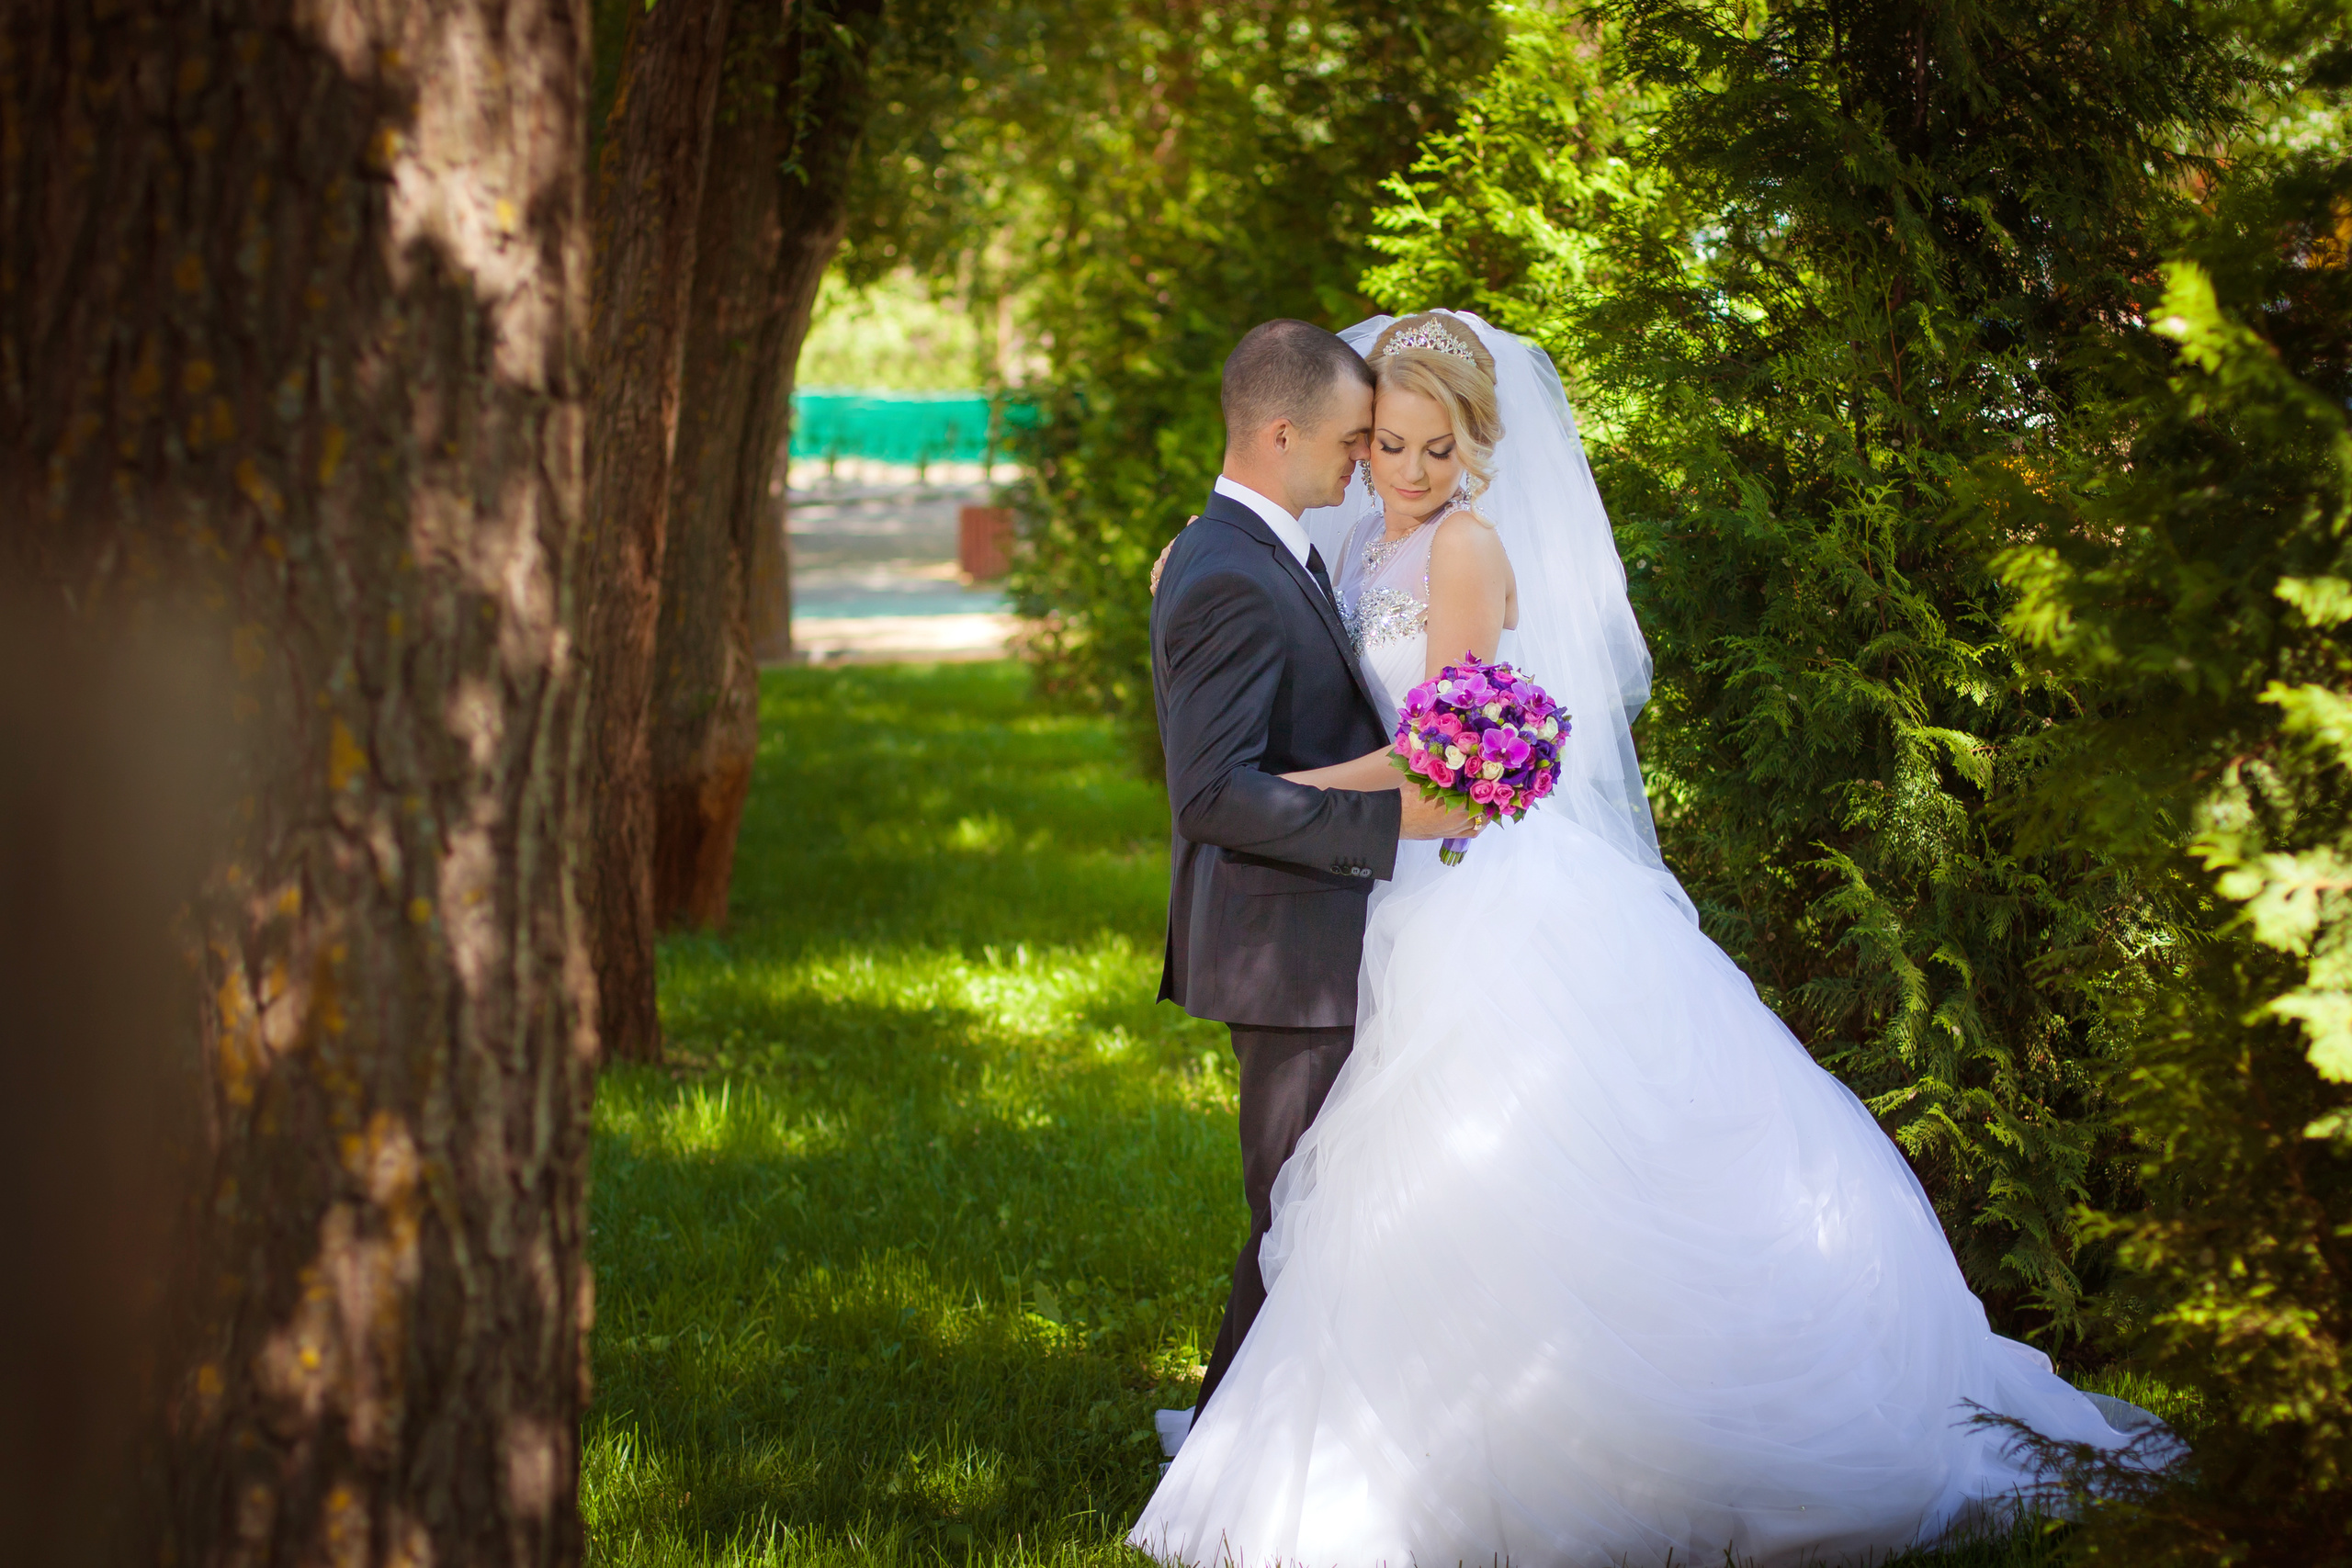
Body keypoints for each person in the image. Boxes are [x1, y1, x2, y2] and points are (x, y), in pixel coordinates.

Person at [1133, 311, 2171, 1568]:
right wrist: (1189, 558)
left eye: (1423, 444)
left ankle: (1547, 1437)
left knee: (1471, 1152)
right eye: (1380, 442)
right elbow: (1271, 596)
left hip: (1457, 875)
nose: (1395, 467)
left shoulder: (1460, 548)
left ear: (1478, 444)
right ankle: (1350, 1417)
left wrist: (1357, 785)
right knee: (1354, 1175)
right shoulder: (1338, 543)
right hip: (1385, 884)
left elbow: (1434, 752)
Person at [1148, 319, 1482, 1439]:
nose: (1361, 465)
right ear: (1283, 431)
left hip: (1318, 930)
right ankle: (1235, 1454)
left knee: (1310, 1209)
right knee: (1291, 1209)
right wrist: (1390, 822)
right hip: (1284, 943)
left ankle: (1239, 1443)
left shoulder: (1260, 550)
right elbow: (1210, 794)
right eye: (1352, 443)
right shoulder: (1231, 570)